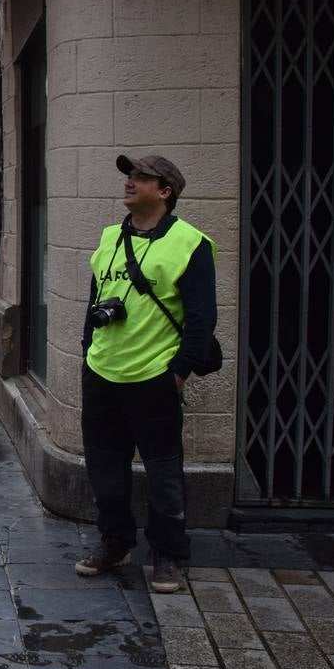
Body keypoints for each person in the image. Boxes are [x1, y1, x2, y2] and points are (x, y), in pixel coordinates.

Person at [74, 154, 216, 595]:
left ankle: (168, 554)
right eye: (129, 176)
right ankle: (115, 542)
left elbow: (201, 317)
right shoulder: (110, 238)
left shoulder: (190, 243)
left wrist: (178, 373)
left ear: (165, 191)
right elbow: (95, 301)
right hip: (103, 372)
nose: (129, 182)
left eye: (141, 177)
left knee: (162, 471)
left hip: (154, 376)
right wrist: (87, 351)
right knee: (105, 467)